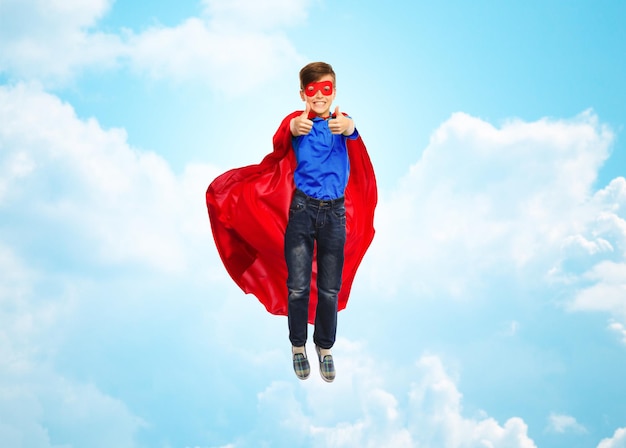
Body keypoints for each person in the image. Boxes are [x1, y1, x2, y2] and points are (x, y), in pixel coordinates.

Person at [205, 62, 377, 383]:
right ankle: (298, 346)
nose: (320, 96)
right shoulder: (297, 121)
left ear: (334, 91)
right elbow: (282, 139)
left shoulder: (342, 123)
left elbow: (358, 151)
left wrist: (352, 130)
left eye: (326, 90)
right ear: (303, 94)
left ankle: (324, 348)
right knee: (297, 286)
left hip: (334, 215)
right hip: (301, 212)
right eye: (312, 91)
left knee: (329, 288)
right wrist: (293, 129)